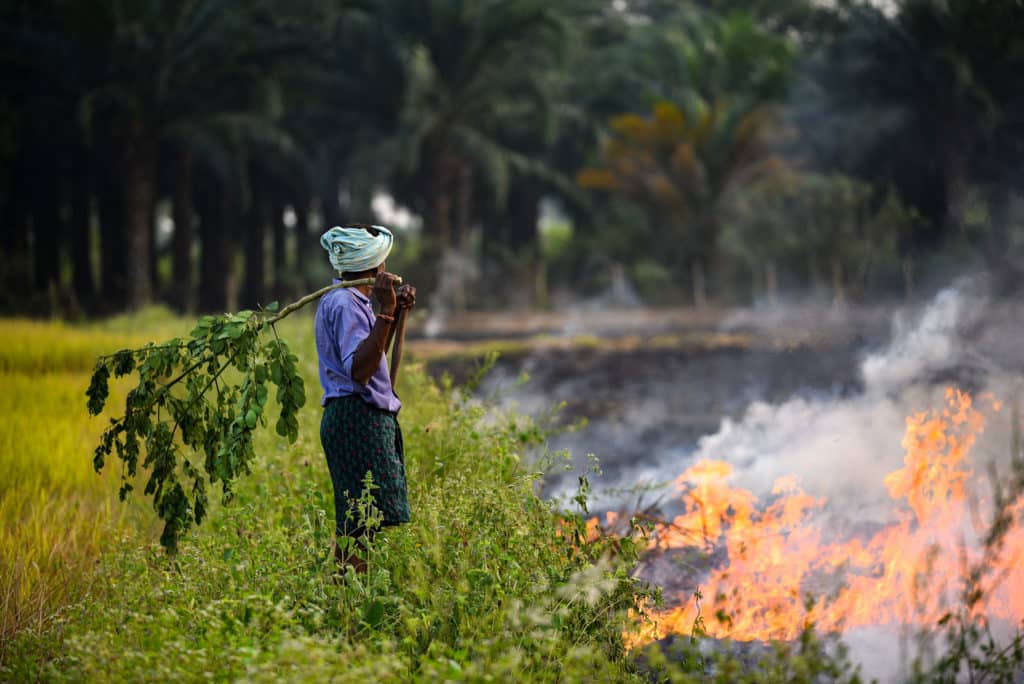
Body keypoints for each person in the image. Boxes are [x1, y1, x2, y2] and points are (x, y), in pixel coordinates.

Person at [314, 224, 416, 573]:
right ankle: (348, 602)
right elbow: (359, 370)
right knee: (359, 525)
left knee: (364, 523)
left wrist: (393, 313)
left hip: (358, 417)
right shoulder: (345, 304)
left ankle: (350, 599)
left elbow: (374, 359)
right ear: (378, 269)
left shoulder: (355, 300)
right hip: (356, 419)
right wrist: (385, 313)